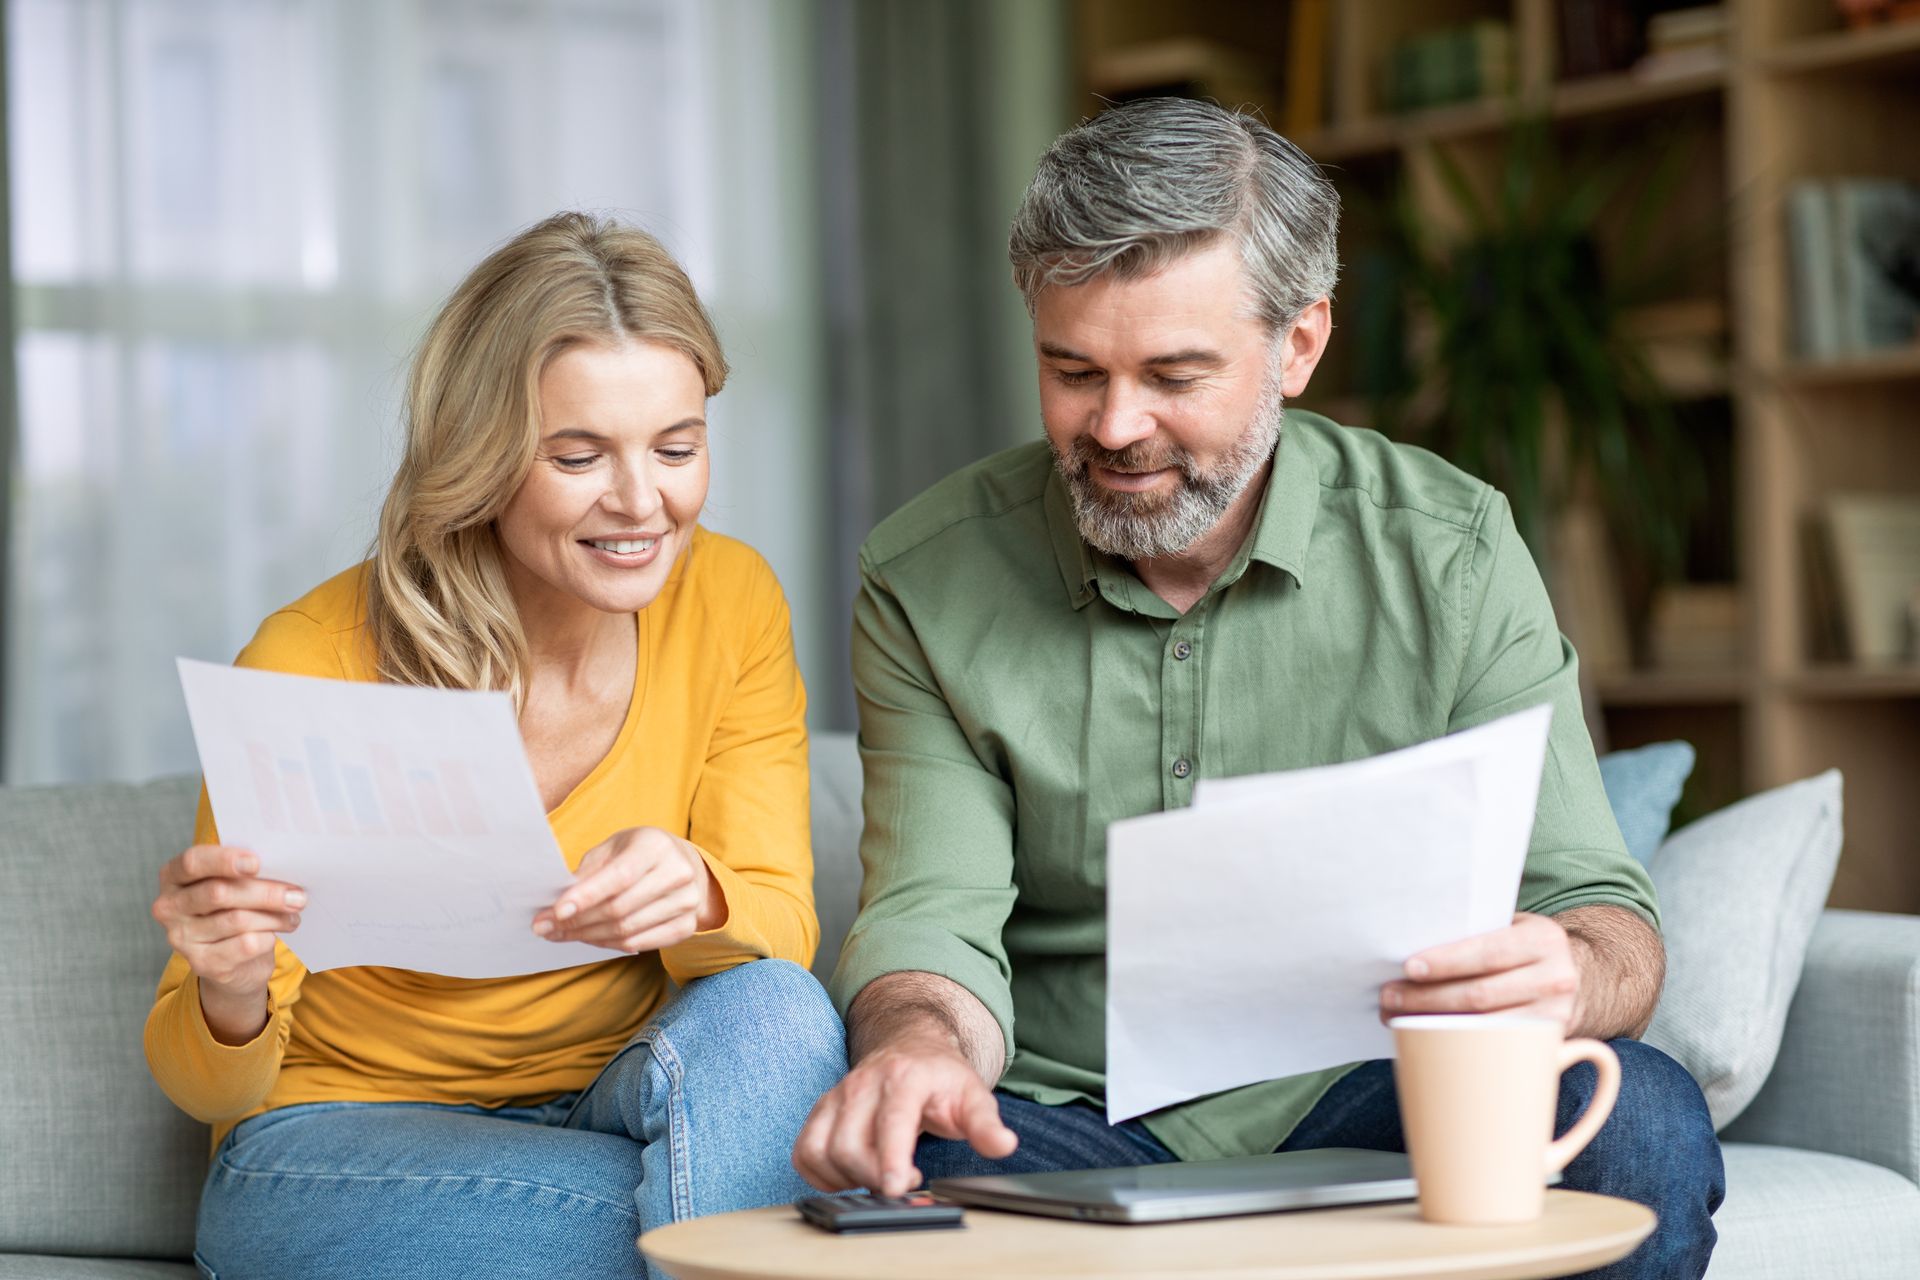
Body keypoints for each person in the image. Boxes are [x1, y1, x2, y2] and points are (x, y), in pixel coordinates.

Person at [792, 98, 1723, 1279]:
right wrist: (918, 1044)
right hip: (1066, 1118)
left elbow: (1602, 911)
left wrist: (1573, 968)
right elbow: (935, 916)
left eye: (1174, 373)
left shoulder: (1452, 552)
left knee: (1637, 1117)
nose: (1115, 425)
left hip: (1375, 1093)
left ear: (1300, 343)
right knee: (894, 1165)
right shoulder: (928, 578)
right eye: (1072, 370)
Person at [146, 212, 846, 1279]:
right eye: (577, 455)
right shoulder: (308, 659)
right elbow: (209, 1086)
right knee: (753, 1222)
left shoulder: (732, 600)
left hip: (617, 1098)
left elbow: (778, 931)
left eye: (677, 446)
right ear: (484, 457)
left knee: (778, 1006)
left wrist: (702, 895)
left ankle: (734, 1230)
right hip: (338, 1142)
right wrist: (229, 988)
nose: (641, 501)